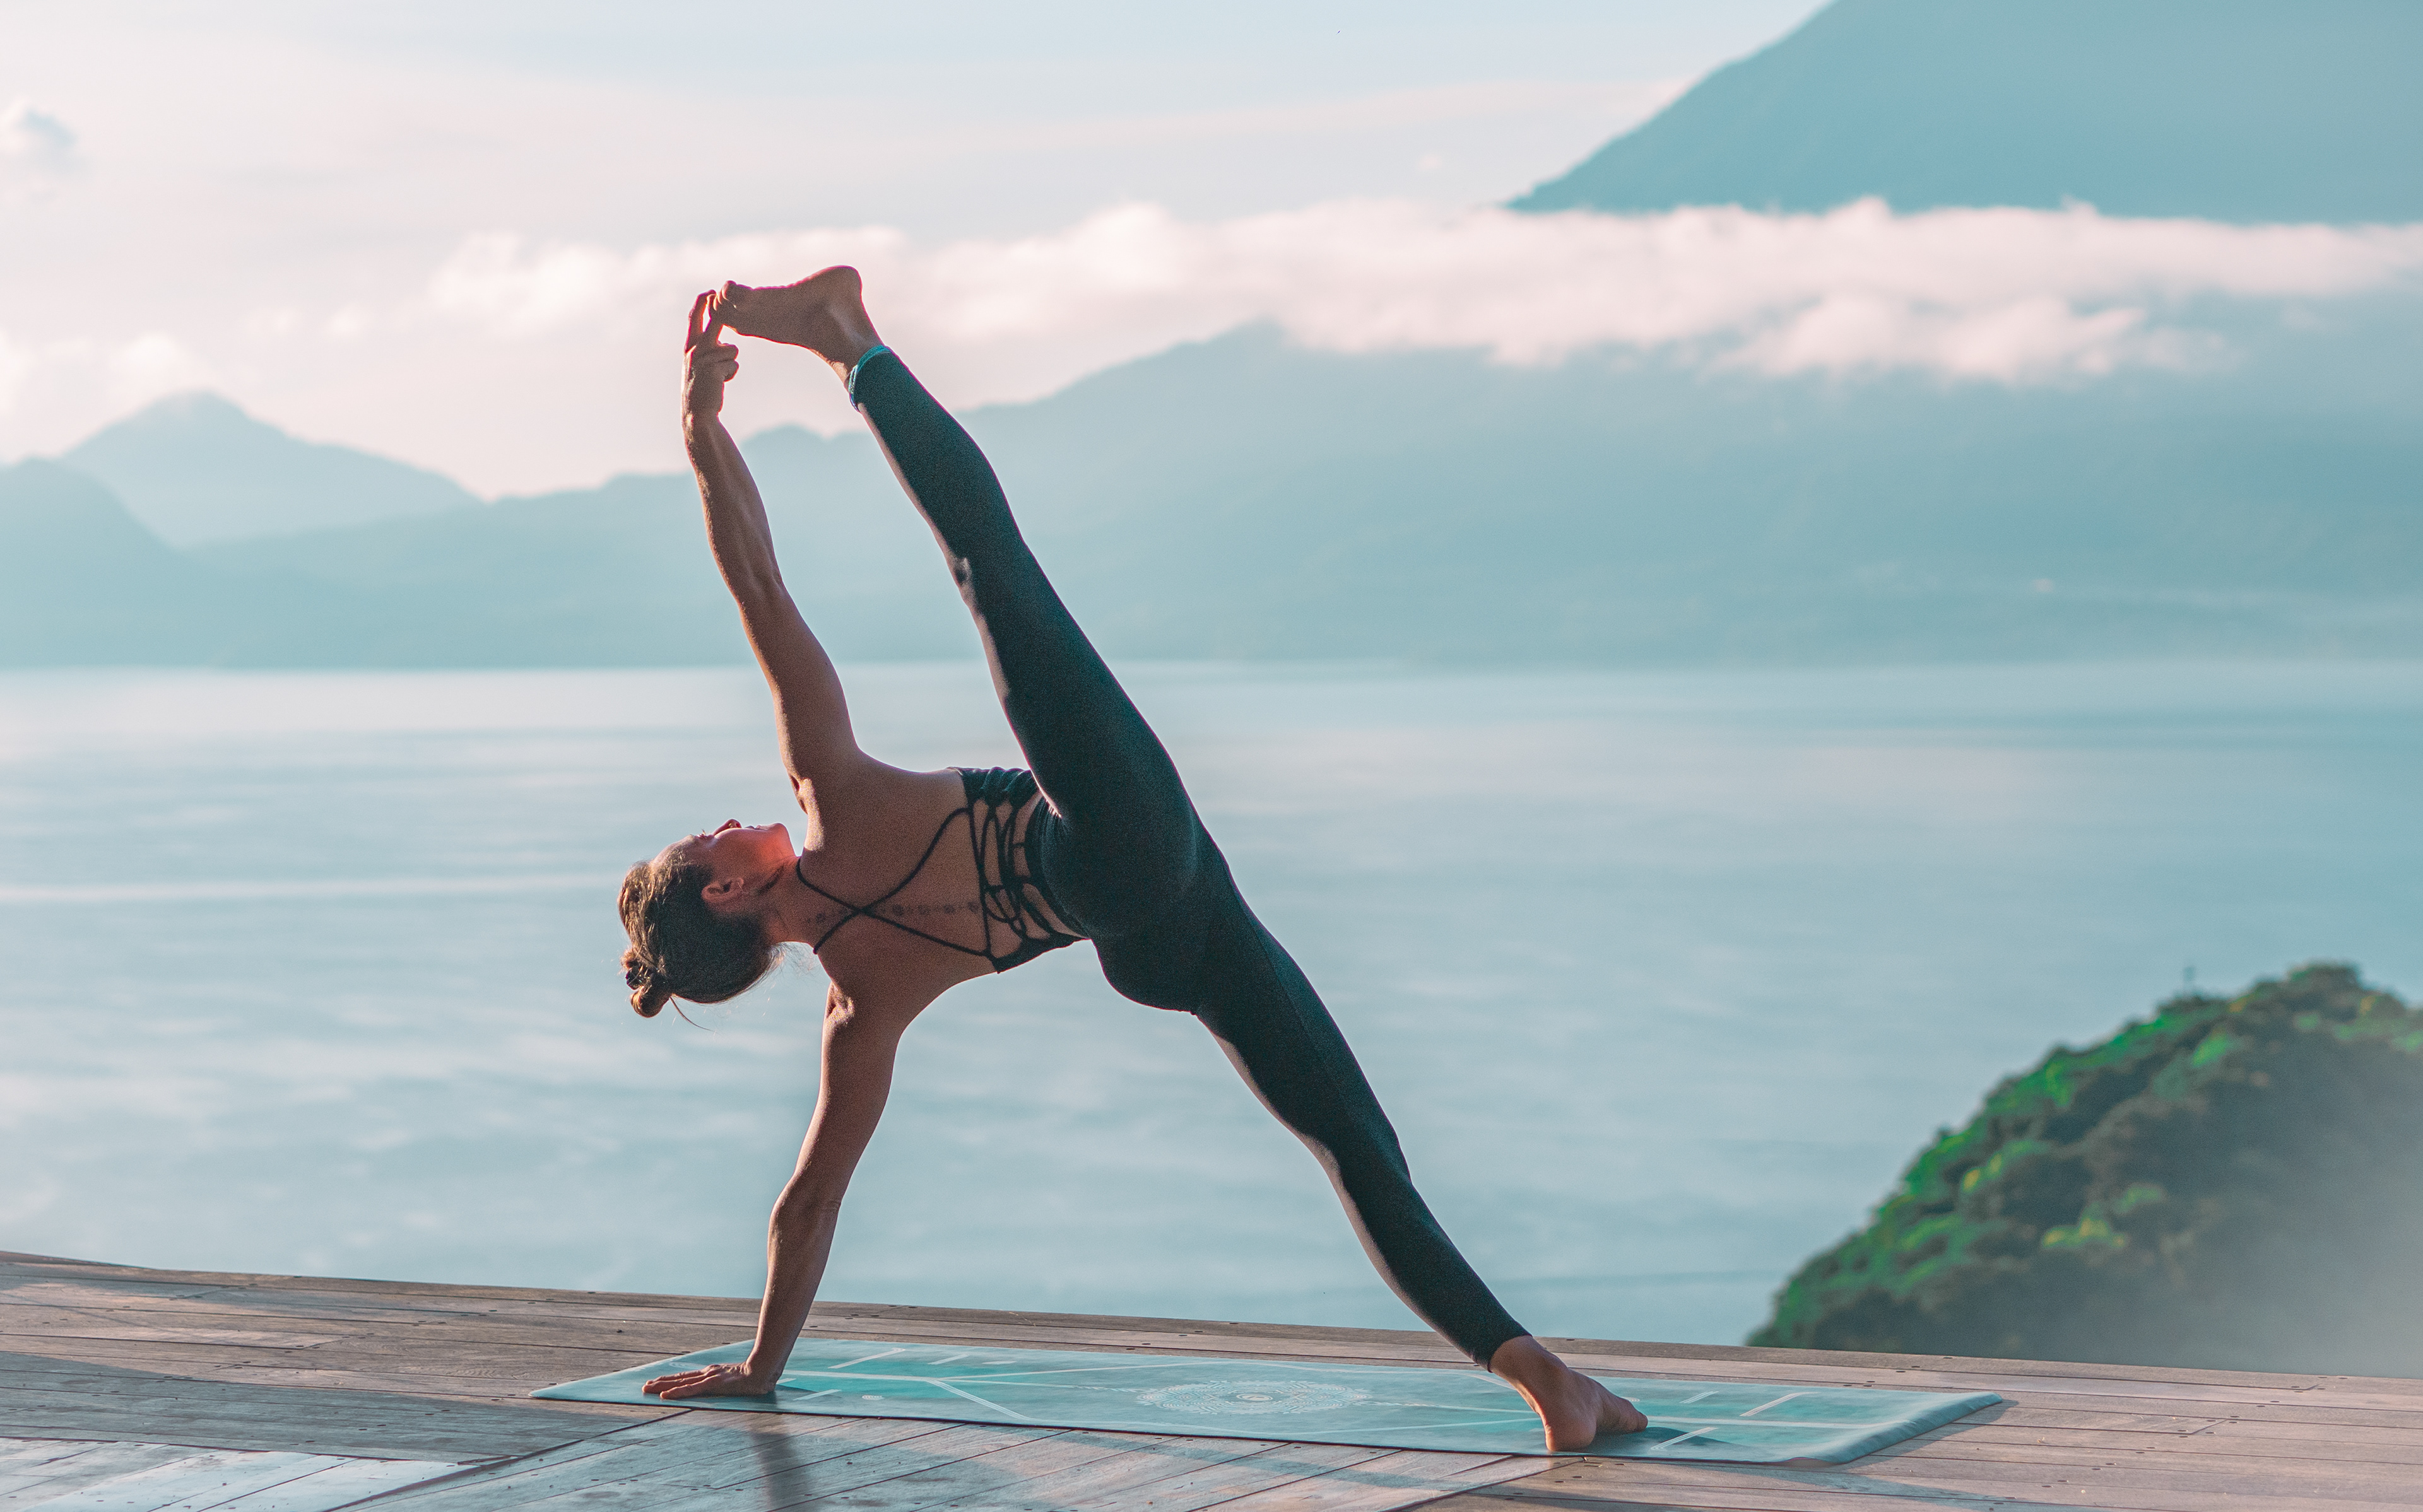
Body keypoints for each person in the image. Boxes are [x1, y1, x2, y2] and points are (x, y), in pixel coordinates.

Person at [620, 269, 1646, 1450]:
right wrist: (698, 428)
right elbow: (757, 581)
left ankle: (1550, 1384)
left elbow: (809, 1203)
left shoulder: (861, 1010)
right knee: (991, 567)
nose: (721, 819)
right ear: (726, 887)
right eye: (705, 836)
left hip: (1156, 940)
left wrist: (763, 1365)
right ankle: (849, 339)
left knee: (1356, 1149)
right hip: (1119, 839)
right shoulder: (830, 798)